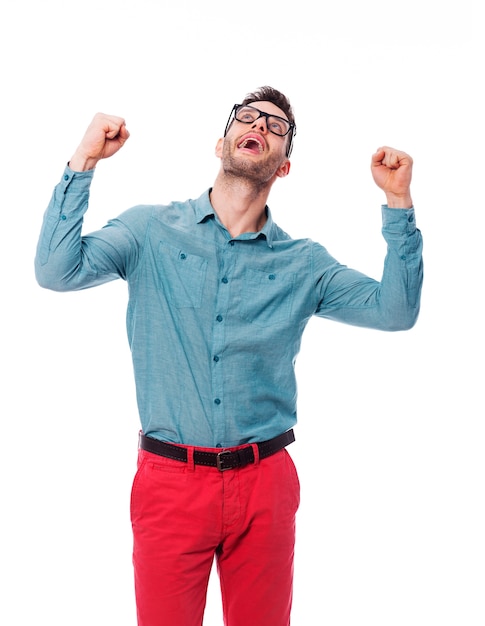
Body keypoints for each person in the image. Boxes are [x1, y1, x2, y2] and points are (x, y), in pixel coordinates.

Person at [35, 86, 423, 626]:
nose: (259, 126)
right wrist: (84, 161)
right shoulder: (149, 231)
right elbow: (56, 271)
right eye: (248, 117)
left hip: (265, 482)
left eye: (275, 127)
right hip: (170, 483)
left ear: (283, 166)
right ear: (221, 142)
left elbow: (395, 311)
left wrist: (398, 204)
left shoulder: (304, 263)